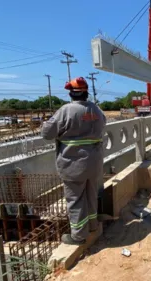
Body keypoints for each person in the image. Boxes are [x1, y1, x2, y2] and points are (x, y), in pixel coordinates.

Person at [41, 77, 106, 245]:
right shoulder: (97, 110)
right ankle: (92, 225)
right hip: (94, 163)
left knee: (75, 199)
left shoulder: (66, 110)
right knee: (91, 195)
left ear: (71, 94)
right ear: (86, 93)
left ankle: (78, 235)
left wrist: (46, 123)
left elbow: (47, 134)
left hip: (74, 164)